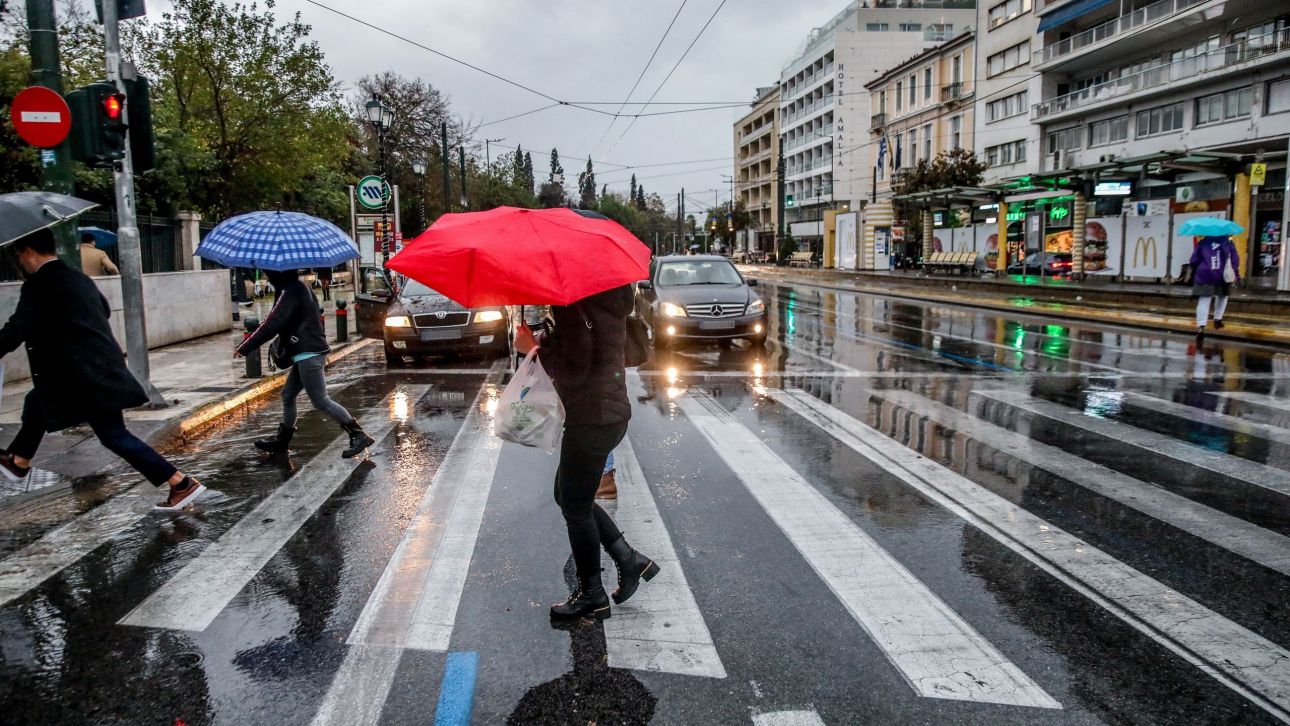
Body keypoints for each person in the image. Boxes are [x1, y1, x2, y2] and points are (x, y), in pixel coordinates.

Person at [0, 229, 203, 511]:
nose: (20, 261)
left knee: (113, 436)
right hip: (99, 367)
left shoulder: (39, 284)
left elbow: (16, 329)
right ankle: (19, 461)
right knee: (37, 400)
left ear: (28, 252)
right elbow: (103, 311)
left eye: (19, 254)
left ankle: (181, 483)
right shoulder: (78, 278)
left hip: (81, 375)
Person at [514, 285, 658, 621]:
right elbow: (589, 352)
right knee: (566, 495)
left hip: (593, 416)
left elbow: (575, 369)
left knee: (574, 507)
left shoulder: (576, 305)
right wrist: (548, 339)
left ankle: (592, 594)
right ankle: (628, 559)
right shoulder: (605, 299)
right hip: (606, 413)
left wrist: (532, 349)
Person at [235, 268, 375, 458]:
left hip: (308, 353)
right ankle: (282, 442)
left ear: (278, 273)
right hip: (307, 351)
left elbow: (272, 323)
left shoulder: (291, 291)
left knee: (320, 400)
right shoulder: (299, 288)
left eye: (269, 273)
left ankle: (358, 435)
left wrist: (246, 347)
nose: (267, 276)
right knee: (288, 395)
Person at [1188, 235, 1239, 341]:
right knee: (1223, 296)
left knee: (1204, 300)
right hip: (1223, 276)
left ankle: (1201, 327)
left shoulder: (1203, 243)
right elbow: (1235, 260)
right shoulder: (1228, 243)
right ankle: (1218, 319)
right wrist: (1235, 273)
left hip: (1205, 275)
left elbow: (1194, 260)